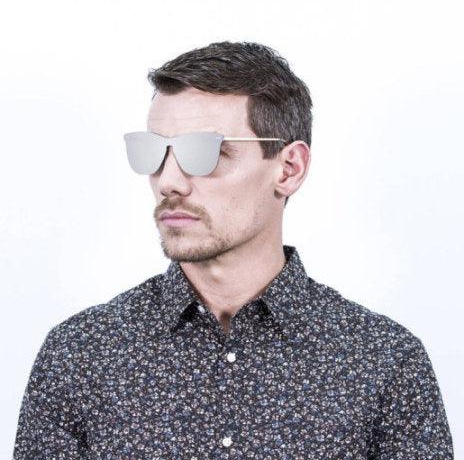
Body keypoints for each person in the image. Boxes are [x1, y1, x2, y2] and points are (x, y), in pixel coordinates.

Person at [13, 41, 453, 459]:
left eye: (205, 152)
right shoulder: (81, 355)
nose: (169, 181)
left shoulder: (383, 362)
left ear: (289, 168)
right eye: (153, 151)